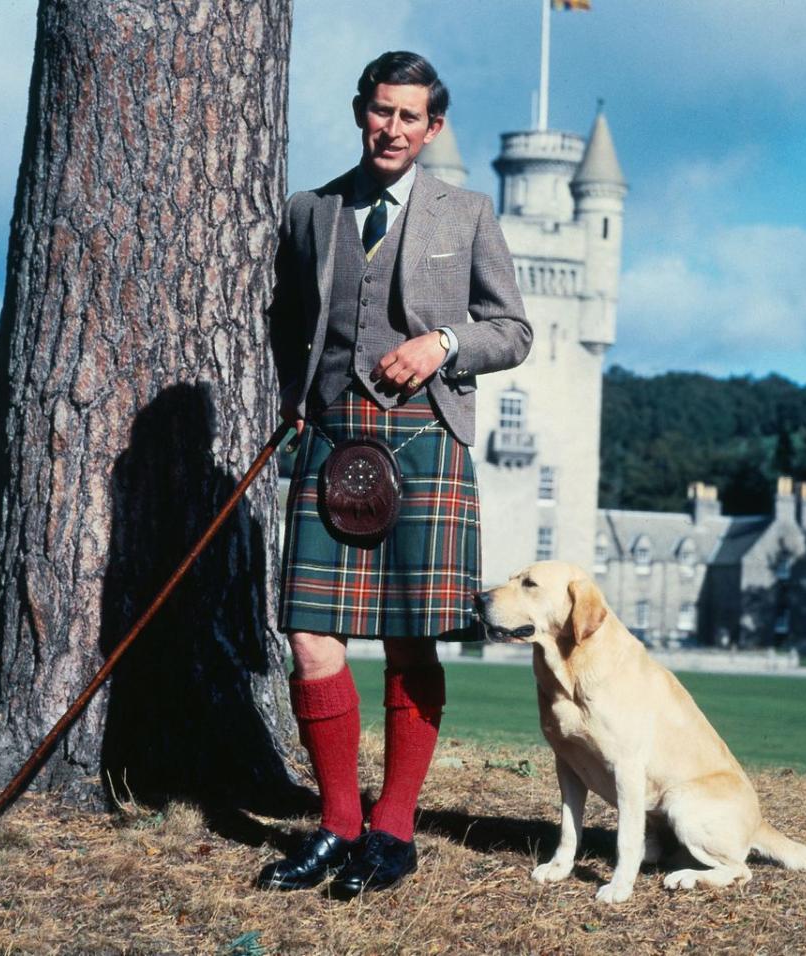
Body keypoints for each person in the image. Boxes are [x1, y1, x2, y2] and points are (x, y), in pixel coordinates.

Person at [260, 50, 531, 898]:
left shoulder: (469, 212)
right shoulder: (311, 211)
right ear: (360, 112)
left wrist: (444, 343)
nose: (394, 127)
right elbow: (287, 323)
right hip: (333, 441)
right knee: (310, 634)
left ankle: (395, 830)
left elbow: (514, 330)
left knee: (410, 638)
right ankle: (339, 824)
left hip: (426, 441)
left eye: (411, 116)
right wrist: (296, 399)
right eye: (382, 111)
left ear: (433, 127)